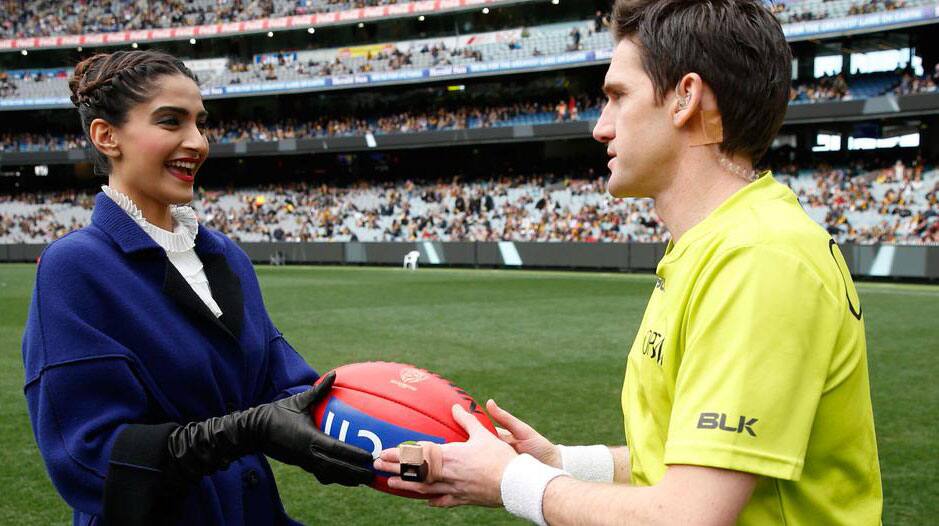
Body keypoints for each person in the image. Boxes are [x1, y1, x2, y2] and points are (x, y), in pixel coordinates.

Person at [375, 1, 882, 524]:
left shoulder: (756, 258)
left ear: (686, 97)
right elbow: (680, 463)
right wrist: (557, 462)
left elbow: (686, 515)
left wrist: (510, 481)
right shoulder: (720, 245)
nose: (600, 128)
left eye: (618, 97)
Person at [21, 50, 374, 525]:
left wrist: (419, 439)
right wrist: (243, 432)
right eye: (171, 122)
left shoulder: (226, 255)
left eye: (200, 123)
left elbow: (289, 388)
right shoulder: (74, 267)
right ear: (106, 136)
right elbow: (89, 461)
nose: (198, 142)